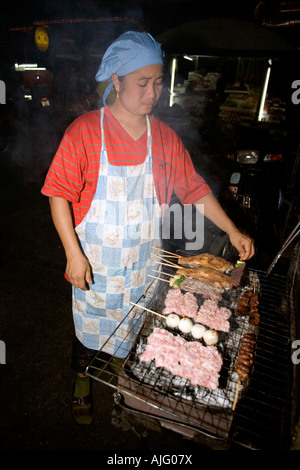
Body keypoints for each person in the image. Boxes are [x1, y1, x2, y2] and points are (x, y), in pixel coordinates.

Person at [41, 31, 254, 426]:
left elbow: (194, 191)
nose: (153, 92)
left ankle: (128, 392)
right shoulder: (85, 132)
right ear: (117, 81)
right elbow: (58, 193)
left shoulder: (166, 140)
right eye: (142, 82)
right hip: (95, 267)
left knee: (136, 338)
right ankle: (82, 383)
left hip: (143, 267)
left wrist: (233, 230)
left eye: (158, 82)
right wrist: (73, 253)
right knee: (88, 338)